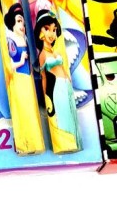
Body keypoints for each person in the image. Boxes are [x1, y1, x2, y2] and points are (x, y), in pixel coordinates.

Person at [34, 10, 82, 153]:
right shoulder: (43, 55)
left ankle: (74, 143)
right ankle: (64, 144)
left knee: (70, 114)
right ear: (40, 31)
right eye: (47, 29)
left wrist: (69, 80)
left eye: (54, 29)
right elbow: (44, 77)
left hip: (66, 86)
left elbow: (63, 68)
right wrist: (46, 97)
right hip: (55, 88)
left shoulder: (55, 51)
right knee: (61, 116)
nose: (51, 33)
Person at [3, 3, 45, 153]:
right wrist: (21, 60)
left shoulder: (25, 39)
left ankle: (35, 142)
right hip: (19, 80)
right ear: (12, 23)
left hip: (28, 79)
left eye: (24, 22)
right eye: (19, 21)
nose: (22, 25)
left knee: (32, 110)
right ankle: (25, 144)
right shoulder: (10, 40)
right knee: (23, 110)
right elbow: (9, 65)